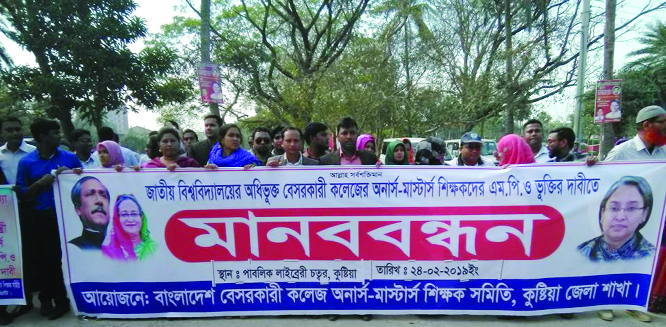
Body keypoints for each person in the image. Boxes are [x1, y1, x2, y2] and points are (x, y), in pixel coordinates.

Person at [16, 118, 82, 320]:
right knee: (47, 261)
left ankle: (67, 300)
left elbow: (85, 182)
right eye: (55, 133)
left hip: (70, 218)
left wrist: (75, 174)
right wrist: (40, 184)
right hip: (42, 219)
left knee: (68, 259)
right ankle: (52, 300)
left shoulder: (70, 158)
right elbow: (22, 194)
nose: (60, 136)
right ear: (43, 137)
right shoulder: (26, 162)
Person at [578, 176, 655, 262]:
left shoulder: (653, 256)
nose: (620, 217)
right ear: (602, 213)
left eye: (631, 208)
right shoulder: (582, 252)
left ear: (644, 214)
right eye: (614, 208)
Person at [102, 194, 157, 261]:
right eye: (124, 214)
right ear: (117, 219)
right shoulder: (109, 251)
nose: (130, 219)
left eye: (134, 214)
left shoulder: (154, 249)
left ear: (141, 217)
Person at [69, 177, 110, 250]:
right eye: (90, 194)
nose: (99, 201)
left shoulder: (123, 248)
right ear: (78, 208)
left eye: (103, 195)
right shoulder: (72, 248)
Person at [0, 117, 36, 185]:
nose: (15, 133)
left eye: (18, 129)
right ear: (1, 133)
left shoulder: (34, 152)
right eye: (9, 130)